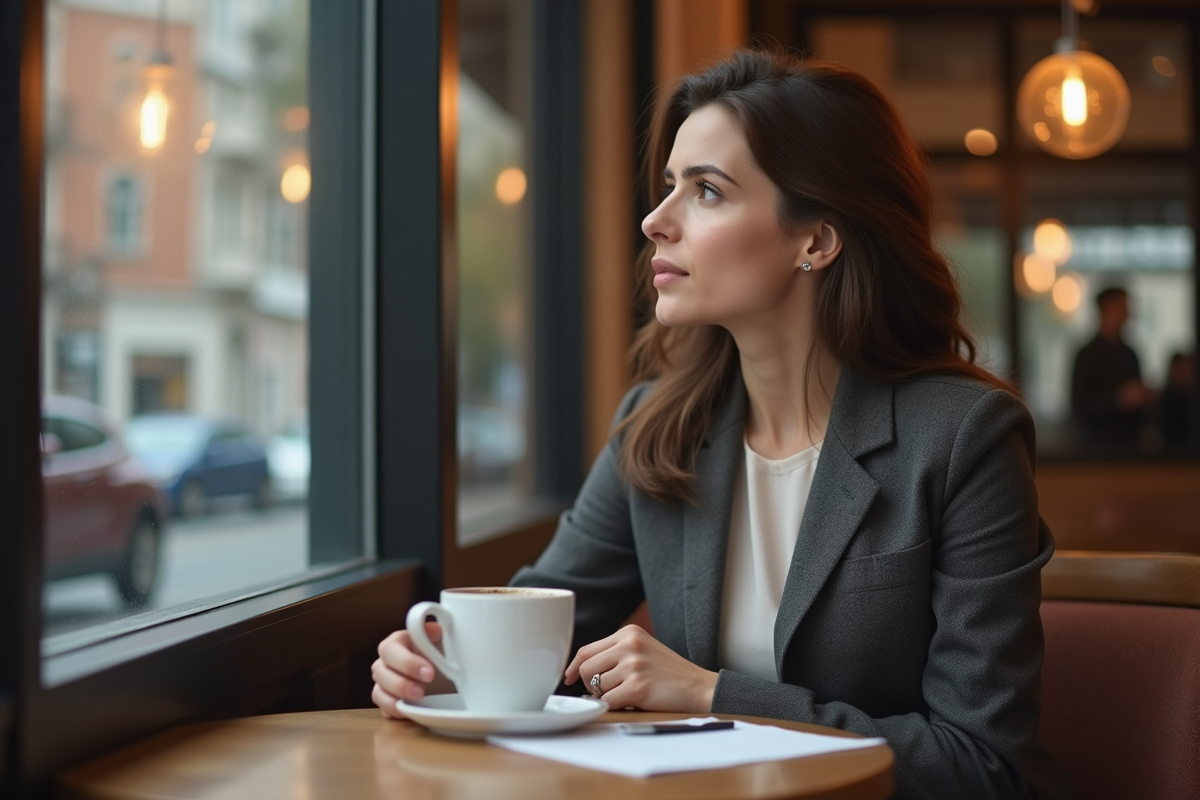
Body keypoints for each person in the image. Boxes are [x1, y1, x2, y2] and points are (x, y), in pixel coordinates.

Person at [374, 50, 1069, 799]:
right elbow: (543, 626)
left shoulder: (965, 438)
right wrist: (440, 663)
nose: (655, 221)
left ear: (816, 241)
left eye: (706, 191)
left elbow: (980, 766)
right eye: (670, 186)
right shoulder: (655, 426)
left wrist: (713, 693)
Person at [1069, 286, 1155, 447]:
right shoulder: (1087, 355)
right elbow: (1078, 404)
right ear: (1107, 309)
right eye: (1123, 307)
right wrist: (1118, 399)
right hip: (1097, 449)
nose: (1129, 314)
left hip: (1130, 446)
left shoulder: (1130, 354)